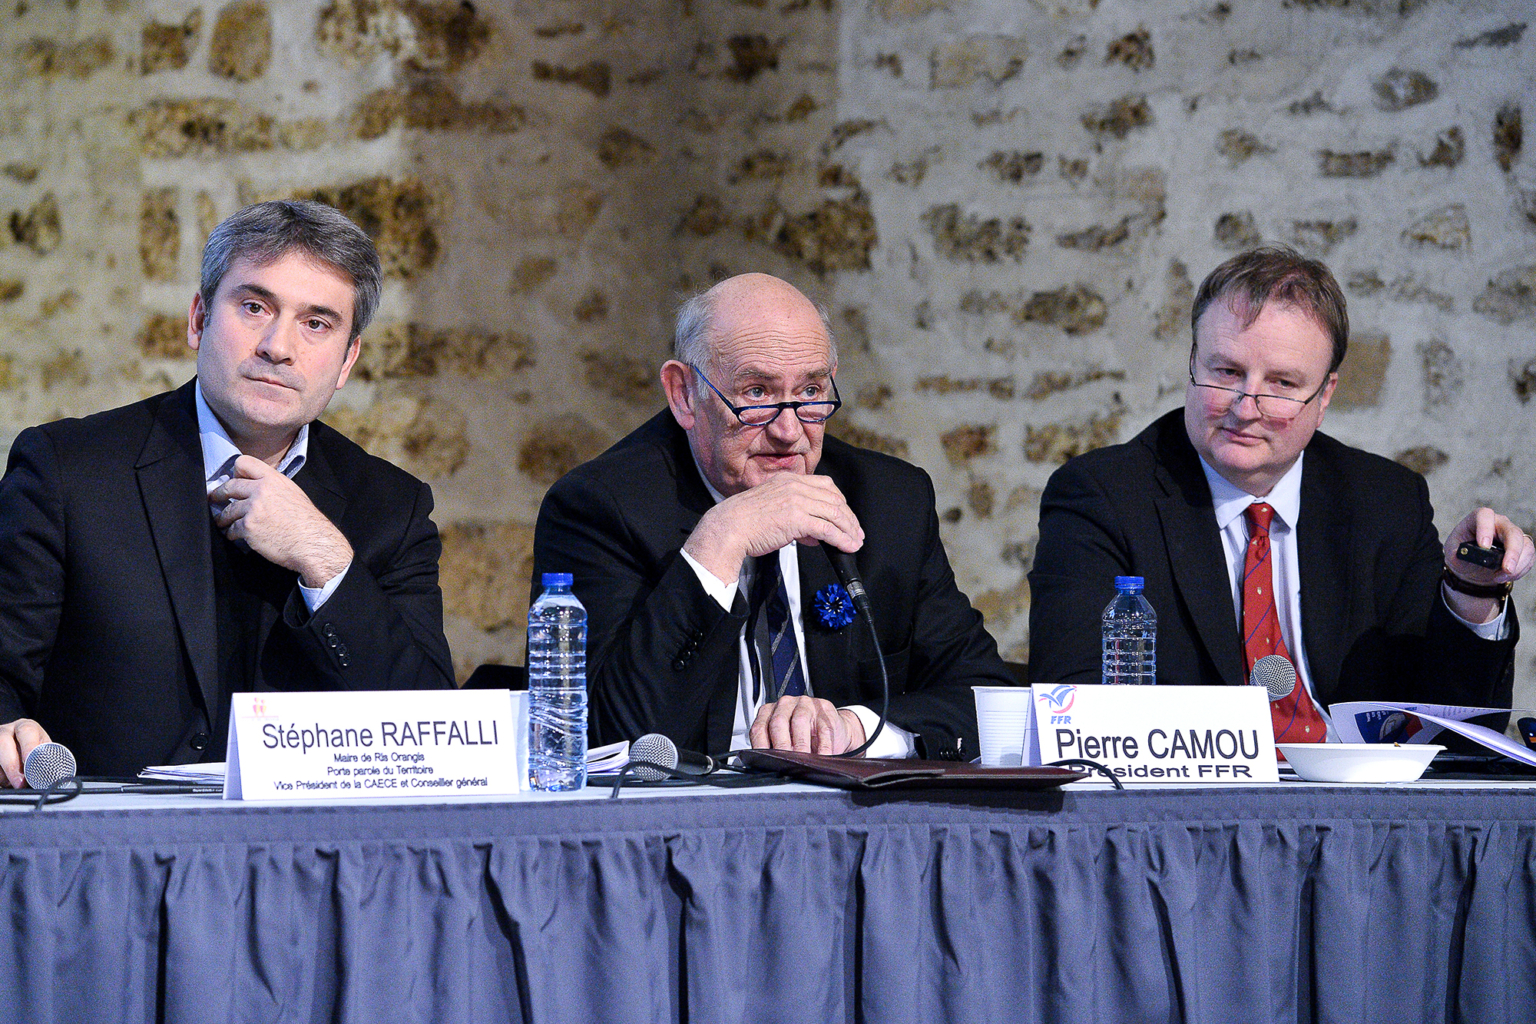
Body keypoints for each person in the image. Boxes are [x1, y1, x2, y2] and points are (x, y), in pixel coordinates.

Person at [0, 200, 454, 785]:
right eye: (255, 306)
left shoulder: (391, 506)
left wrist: (327, 560)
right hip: (116, 857)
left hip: (313, 861)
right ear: (198, 319)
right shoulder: (69, 472)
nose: (278, 346)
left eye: (316, 323)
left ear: (347, 360)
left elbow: (433, 726)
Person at [1029, 245, 1532, 738]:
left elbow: (1458, 726)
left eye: (1281, 384)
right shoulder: (1104, 498)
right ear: (1192, 362)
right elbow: (1073, 707)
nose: (1245, 407)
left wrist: (1471, 592)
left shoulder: (1385, 501)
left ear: (1325, 396)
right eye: (1226, 372)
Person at [533, 273, 1012, 758]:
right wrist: (718, 540)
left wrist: (857, 729)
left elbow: (986, 698)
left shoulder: (889, 501)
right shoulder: (600, 507)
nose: (789, 431)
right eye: (757, 393)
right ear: (683, 394)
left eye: (809, 392)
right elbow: (597, 737)